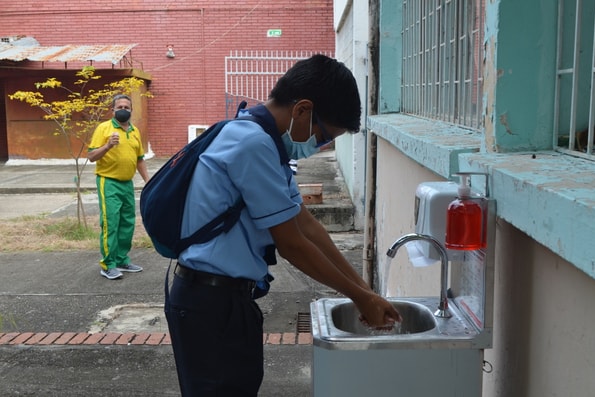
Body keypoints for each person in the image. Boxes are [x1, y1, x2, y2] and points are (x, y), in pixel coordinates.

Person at [164, 54, 400, 396]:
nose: (319, 147)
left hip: (224, 300)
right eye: (322, 136)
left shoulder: (265, 141)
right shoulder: (253, 144)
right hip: (210, 303)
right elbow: (292, 244)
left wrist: (365, 291)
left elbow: (307, 227)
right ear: (302, 110)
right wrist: (359, 298)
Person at [87, 94, 150, 280]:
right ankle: (108, 265)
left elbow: (139, 159)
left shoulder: (134, 131)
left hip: (127, 183)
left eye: (127, 107)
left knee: (127, 223)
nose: (123, 109)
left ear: (131, 110)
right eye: (119, 106)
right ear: (112, 110)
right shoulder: (104, 128)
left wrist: (148, 180)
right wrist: (107, 146)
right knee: (110, 222)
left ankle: (122, 260)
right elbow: (91, 156)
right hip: (109, 181)